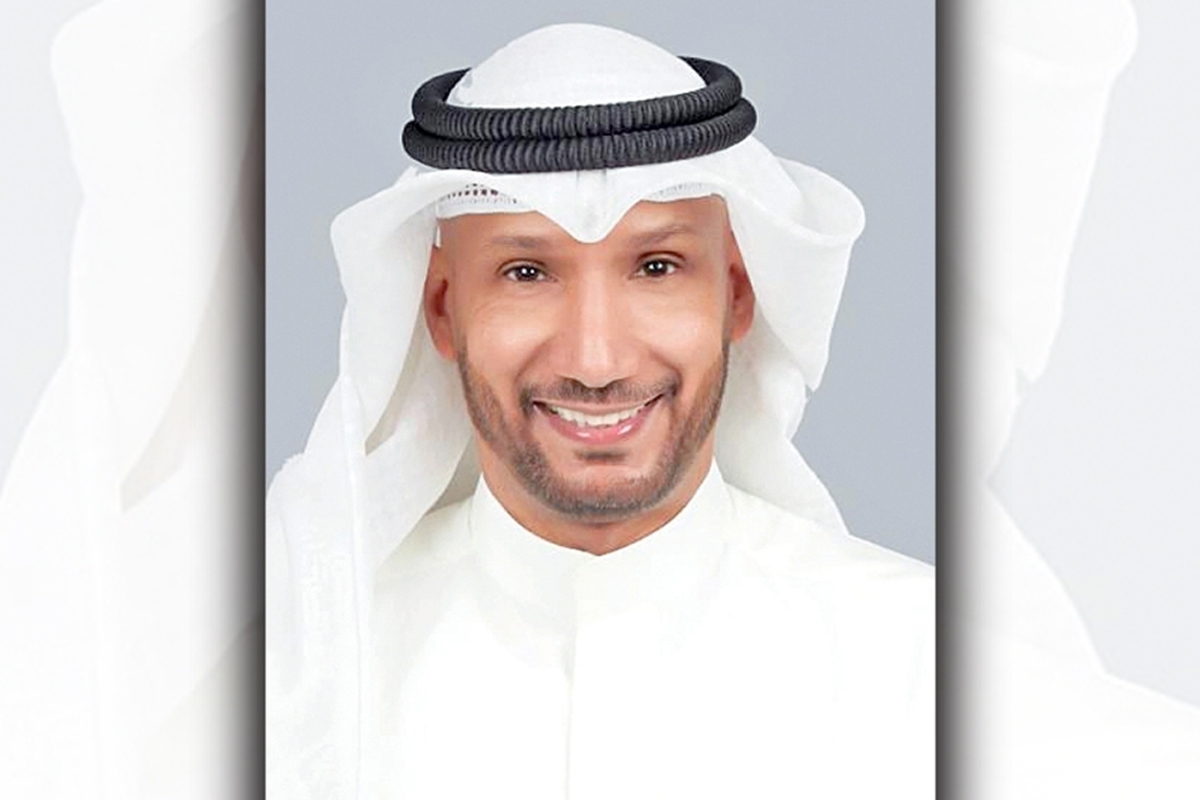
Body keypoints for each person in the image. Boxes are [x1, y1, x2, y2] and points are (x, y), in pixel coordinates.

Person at [267, 23, 933, 798]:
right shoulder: (292, 672)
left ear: (737, 294)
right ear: (443, 308)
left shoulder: (919, 664)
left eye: (657, 267)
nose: (596, 361)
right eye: (526, 272)